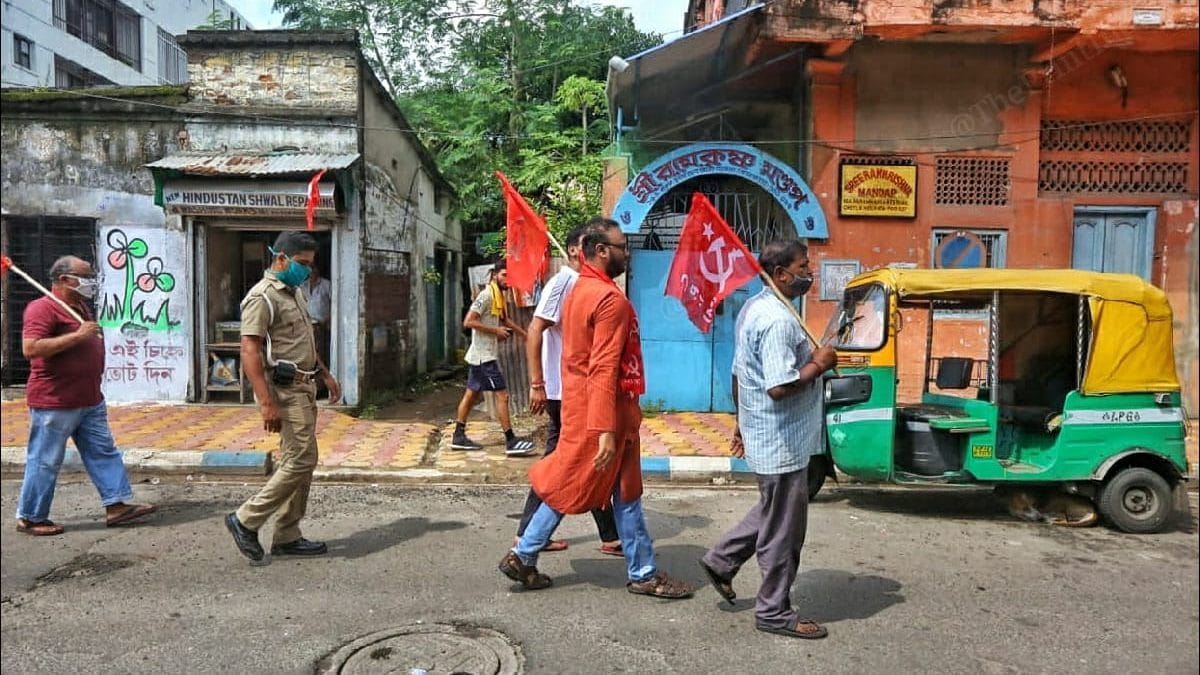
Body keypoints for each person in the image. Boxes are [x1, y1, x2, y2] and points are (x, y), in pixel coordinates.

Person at [498, 218, 693, 599]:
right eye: (622, 247)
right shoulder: (608, 300)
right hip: (604, 413)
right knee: (600, 487)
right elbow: (602, 367)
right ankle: (641, 572)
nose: (628, 254)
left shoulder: (580, 291)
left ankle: (527, 555)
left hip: (581, 406)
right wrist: (605, 428)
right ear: (602, 251)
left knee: (597, 485)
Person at [698, 239, 838, 639]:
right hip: (781, 441)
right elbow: (778, 386)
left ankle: (721, 561)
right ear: (780, 274)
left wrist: (741, 421)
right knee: (784, 530)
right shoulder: (776, 319)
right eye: (803, 267)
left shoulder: (755, 307)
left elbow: (740, 373)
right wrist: (819, 363)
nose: (808, 274)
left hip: (768, 433)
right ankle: (774, 611)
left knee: (774, 511)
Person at [15, 255, 157, 536]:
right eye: (86, 276)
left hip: (89, 398)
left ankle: (116, 505)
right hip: (55, 401)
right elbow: (31, 348)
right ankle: (31, 516)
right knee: (45, 459)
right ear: (65, 280)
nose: (91, 282)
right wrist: (79, 336)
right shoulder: (42, 309)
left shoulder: (79, 307)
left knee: (103, 452)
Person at [225, 231, 341, 562]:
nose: (306, 271)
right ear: (281, 259)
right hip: (285, 392)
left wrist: (325, 374)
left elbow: (302, 342)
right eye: (301, 264)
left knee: (303, 461)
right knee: (301, 460)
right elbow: (249, 349)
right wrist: (266, 403)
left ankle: (288, 534)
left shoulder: (293, 293)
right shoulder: (262, 297)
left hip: (305, 387)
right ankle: (246, 519)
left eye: (309, 265)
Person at [518, 221, 621, 556]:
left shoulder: (587, 285)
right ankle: (527, 537)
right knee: (566, 463)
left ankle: (610, 534)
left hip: (579, 390)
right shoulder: (564, 282)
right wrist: (538, 384)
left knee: (592, 460)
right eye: (581, 246)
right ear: (577, 249)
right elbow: (535, 330)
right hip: (565, 392)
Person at [450, 261, 535, 456]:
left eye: (510, 277)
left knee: (471, 395)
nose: (508, 280)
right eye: (504, 275)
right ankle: (511, 440)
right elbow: (468, 321)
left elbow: (505, 319)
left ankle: (458, 435)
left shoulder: (499, 297)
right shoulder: (487, 295)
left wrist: (525, 335)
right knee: (502, 396)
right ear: (495, 274)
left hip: (482, 356)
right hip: (483, 358)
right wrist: (495, 330)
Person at [301, 261, 332, 393]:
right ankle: (309, 386)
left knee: (320, 356)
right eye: (309, 270)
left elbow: (335, 304)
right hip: (307, 327)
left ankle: (321, 387)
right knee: (308, 356)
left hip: (321, 326)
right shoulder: (303, 286)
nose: (312, 272)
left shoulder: (326, 285)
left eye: (314, 269)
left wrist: (328, 320)